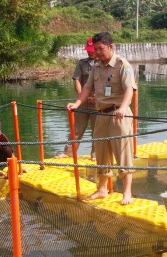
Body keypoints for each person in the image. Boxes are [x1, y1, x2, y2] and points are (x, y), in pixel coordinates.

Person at [66, 32, 137, 205]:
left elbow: (130, 89)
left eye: (101, 49)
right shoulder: (96, 67)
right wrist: (76, 103)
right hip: (101, 114)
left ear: (110, 47)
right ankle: (102, 189)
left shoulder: (122, 65)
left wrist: (122, 107)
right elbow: (87, 88)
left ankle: (127, 193)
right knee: (101, 153)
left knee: (123, 153)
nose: (97, 52)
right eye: (95, 49)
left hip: (118, 114)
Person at [56, 37, 97, 160]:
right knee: (77, 129)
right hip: (82, 102)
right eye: (88, 50)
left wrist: (97, 97)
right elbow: (77, 79)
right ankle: (68, 152)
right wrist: (81, 96)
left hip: (97, 102)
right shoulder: (82, 63)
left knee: (97, 130)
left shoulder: (102, 64)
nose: (89, 52)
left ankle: (95, 154)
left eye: (92, 50)